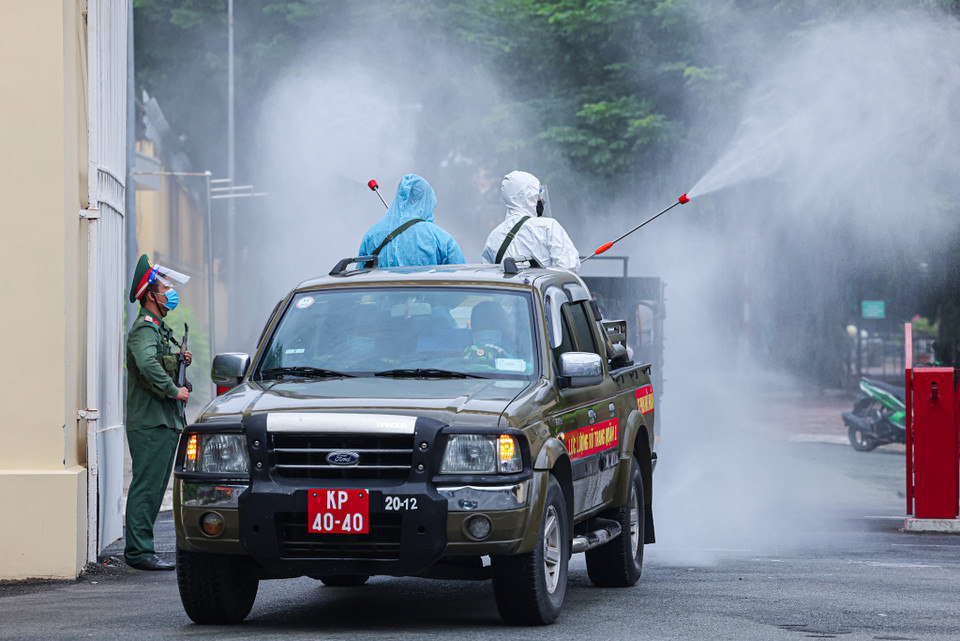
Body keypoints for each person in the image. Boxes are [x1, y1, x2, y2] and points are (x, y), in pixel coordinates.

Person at [124, 254, 192, 571]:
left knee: (154, 489)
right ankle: (139, 553)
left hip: (162, 421)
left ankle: (143, 549)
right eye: (165, 289)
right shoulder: (145, 330)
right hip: (151, 422)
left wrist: (179, 360)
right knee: (146, 488)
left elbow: (158, 362)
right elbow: (146, 362)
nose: (170, 293)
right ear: (151, 295)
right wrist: (173, 390)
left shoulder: (158, 330)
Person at [481, 170, 580, 272]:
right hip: (540, 283)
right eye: (538, 193)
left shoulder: (493, 237)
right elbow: (568, 268)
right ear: (529, 195)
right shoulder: (549, 227)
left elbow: (488, 274)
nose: (540, 198)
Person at [358, 174, 465, 267]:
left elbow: (360, 276)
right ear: (427, 201)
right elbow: (459, 277)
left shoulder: (371, 236)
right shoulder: (441, 239)